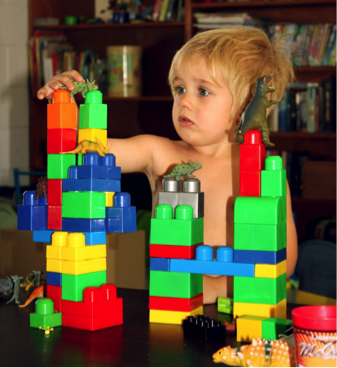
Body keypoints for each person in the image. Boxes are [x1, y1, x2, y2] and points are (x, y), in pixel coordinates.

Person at [37, 26, 298, 304]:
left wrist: (219, 287)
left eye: (203, 91)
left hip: (244, 308)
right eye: (180, 88)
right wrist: (65, 104)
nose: (184, 101)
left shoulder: (263, 172)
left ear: (248, 106)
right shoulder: (159, 153)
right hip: (171, 306)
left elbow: (284, 263)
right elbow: (86, 148)